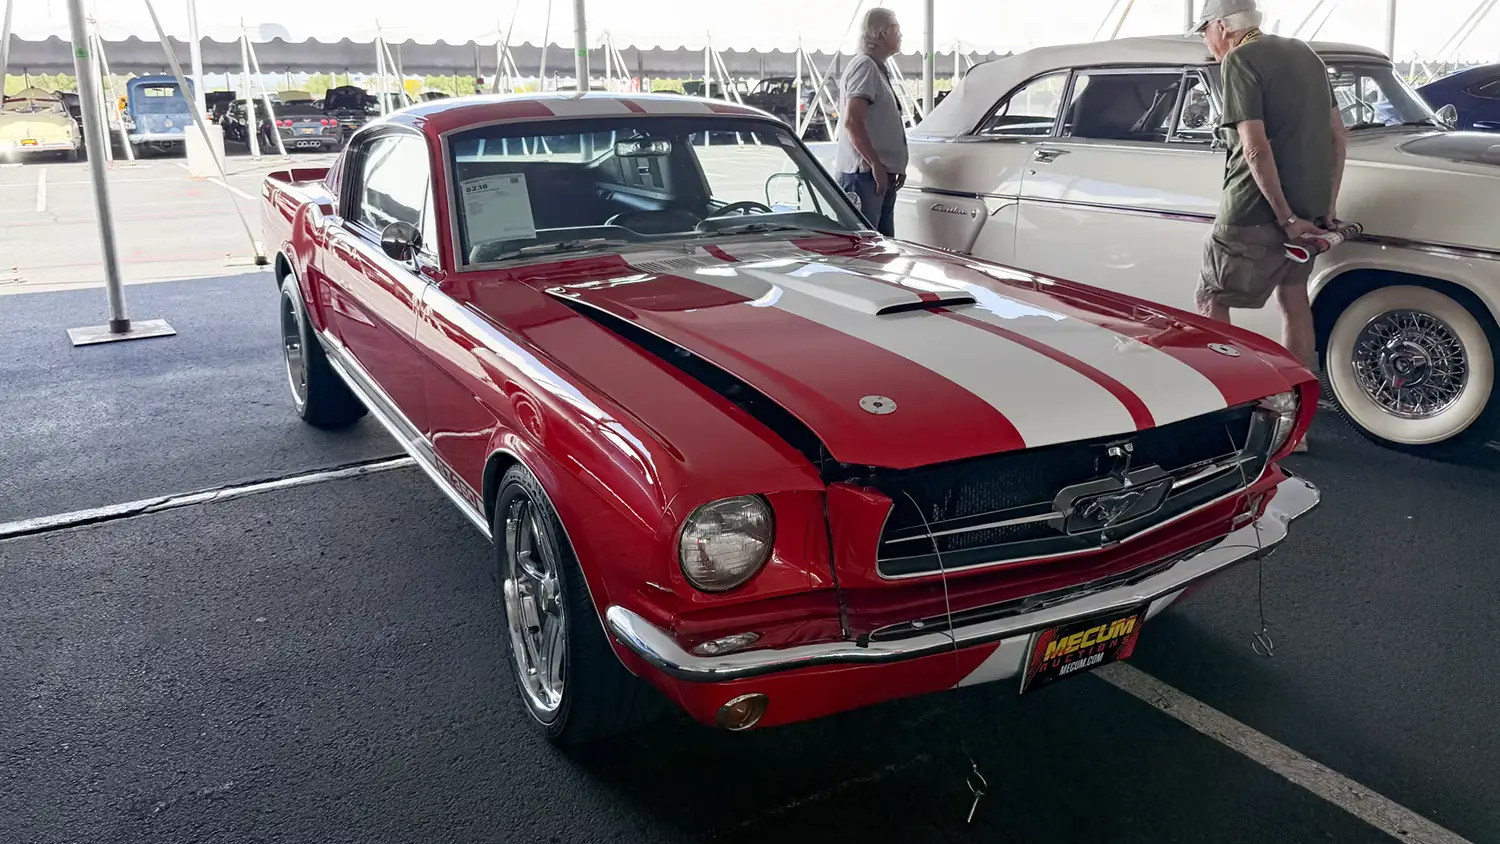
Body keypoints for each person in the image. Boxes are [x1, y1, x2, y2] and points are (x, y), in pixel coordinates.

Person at [1193, 0, 1348, 452]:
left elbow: (1255, 148)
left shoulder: (1241, 59)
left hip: (1253, 212)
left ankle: (1220, 421)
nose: (1206, 42)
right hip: (1311, 210)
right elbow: (1339, 137)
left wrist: (1284, 217)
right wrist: (1322, 209)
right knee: (1293, 300)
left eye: (1205, 31)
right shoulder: (1305, 53)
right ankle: (1295, 427)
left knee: (1210, 298)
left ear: (1223, 27)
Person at [833, 8, 909, 236]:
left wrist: (893, 165)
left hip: (874, 175)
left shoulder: (875, 68)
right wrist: (876, 164)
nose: (901, 34)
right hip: (863, 175)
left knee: (881, 247)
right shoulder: (865, 66)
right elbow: (852, 121)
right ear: (882, 33)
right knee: (866, 248)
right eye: (897, 28)